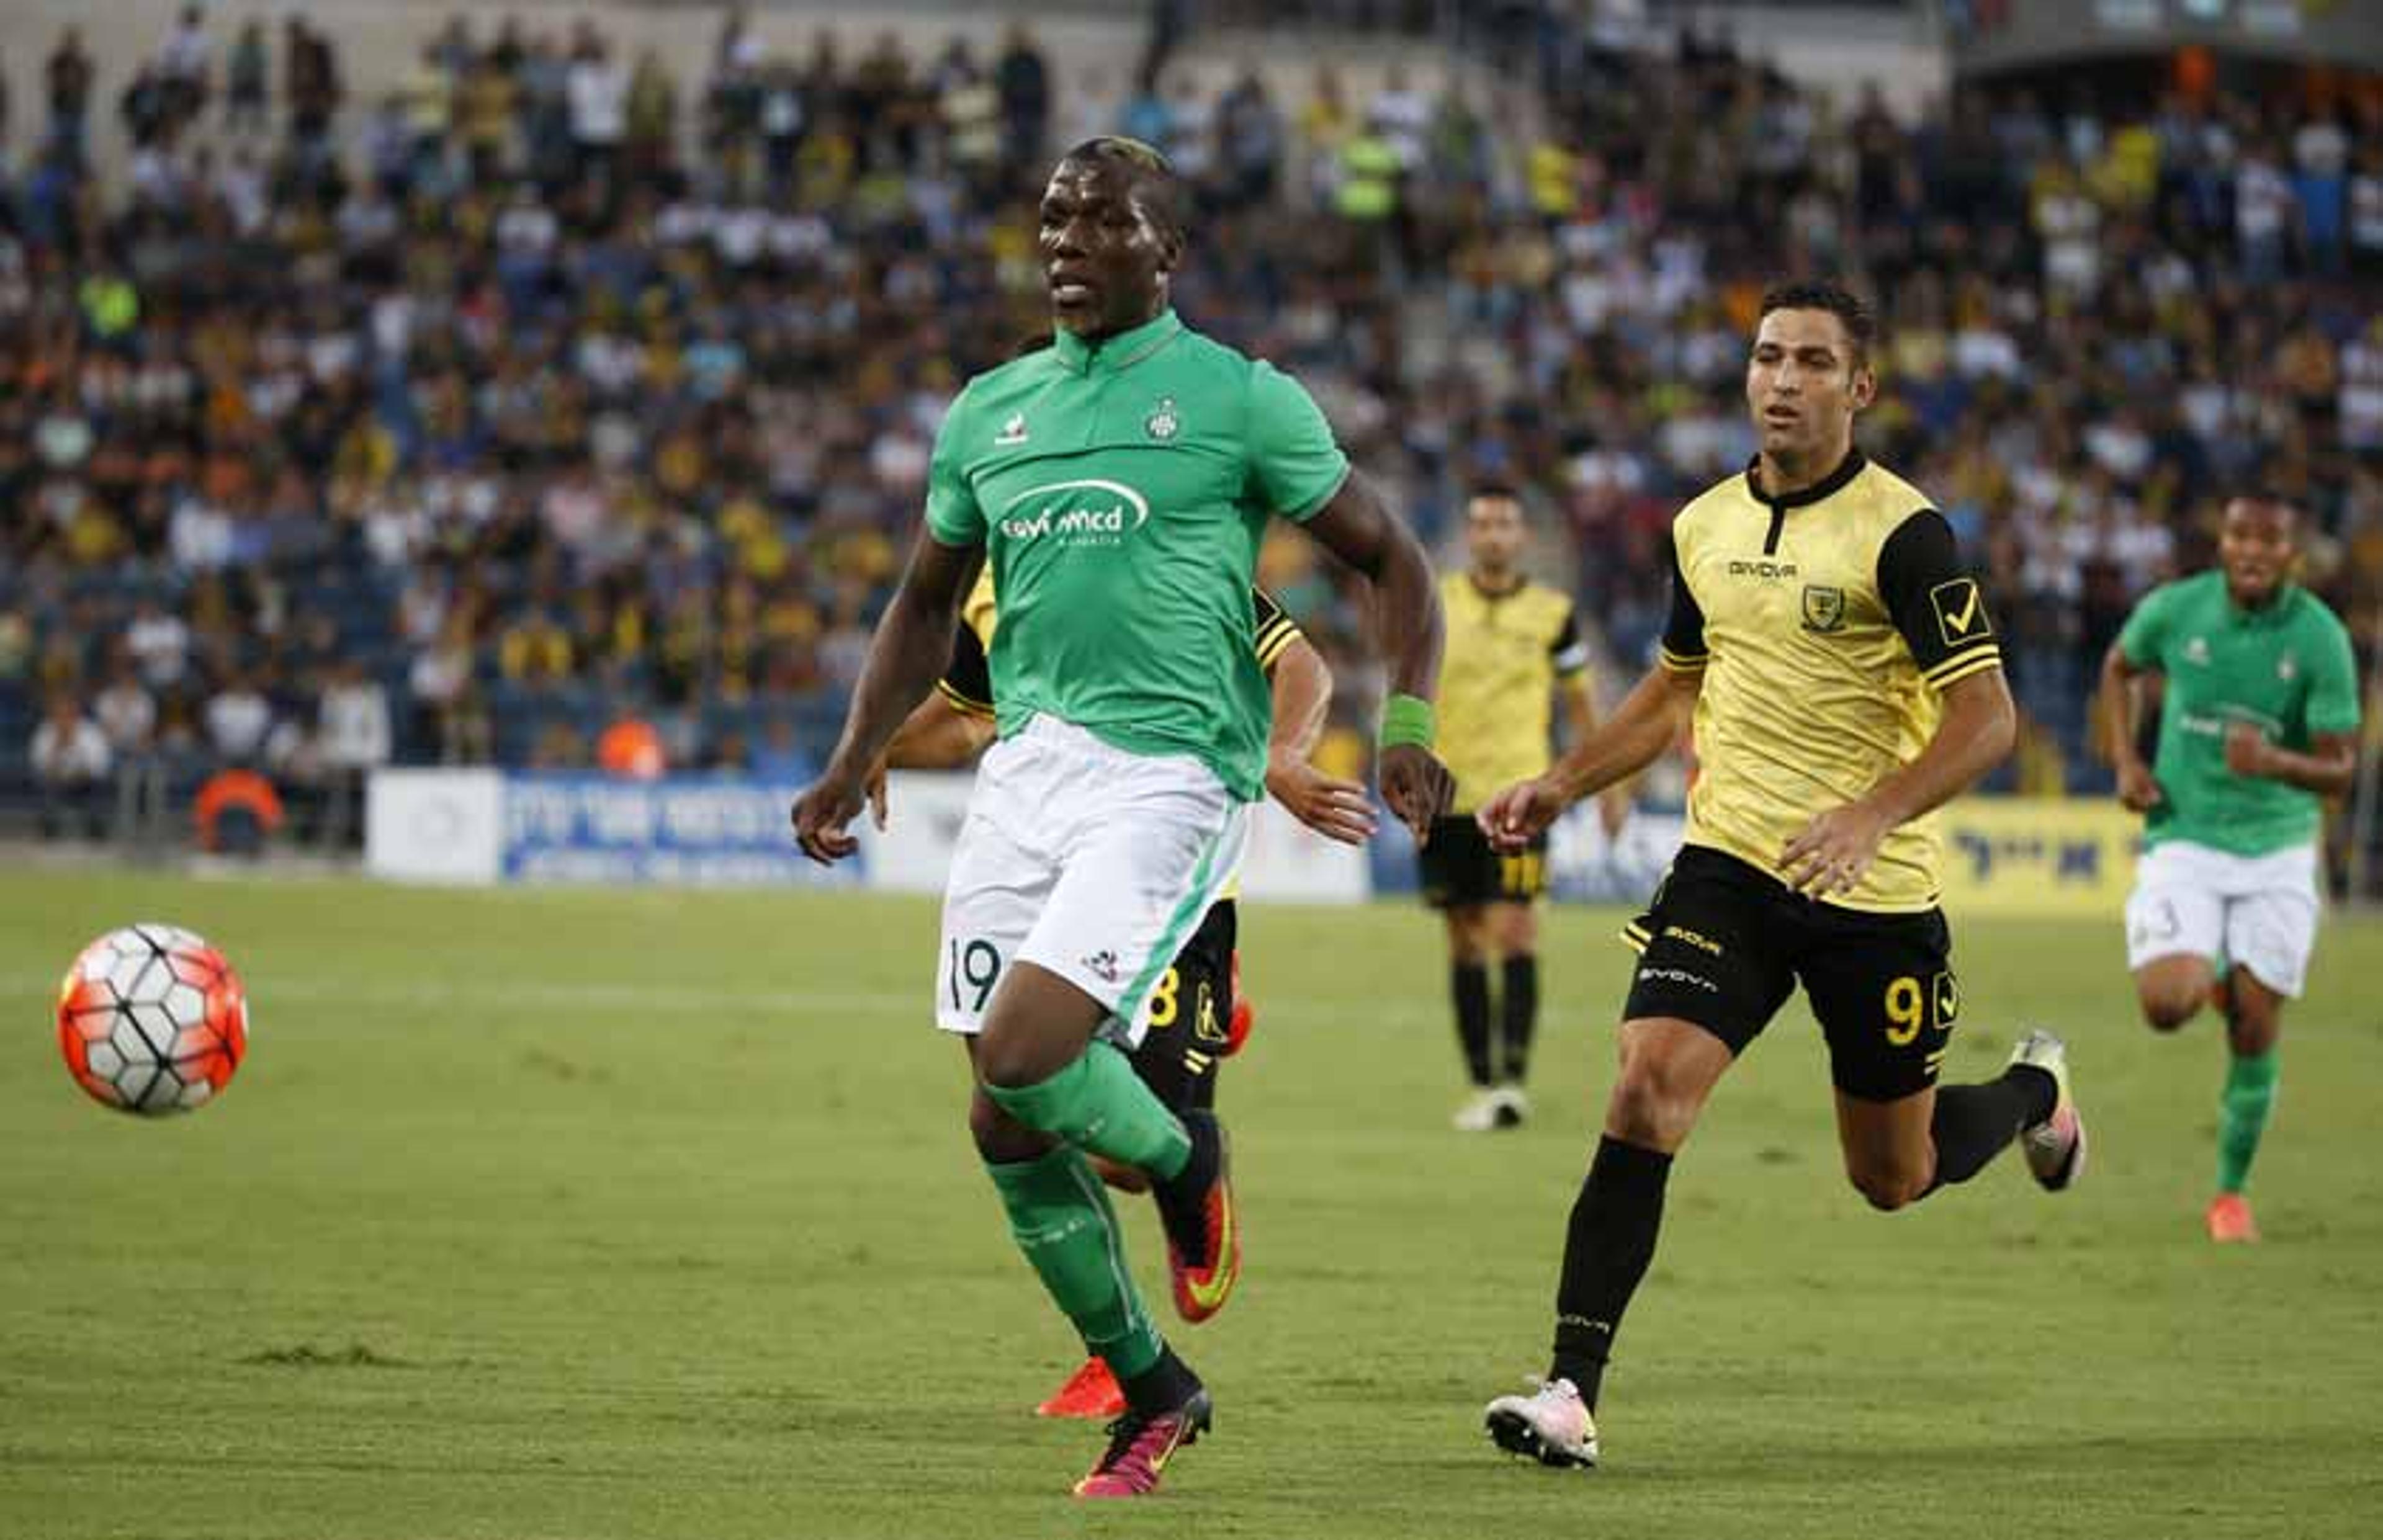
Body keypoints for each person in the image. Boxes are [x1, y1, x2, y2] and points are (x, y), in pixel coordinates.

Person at [791, 137, 1452, 1499]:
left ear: (1169, 248)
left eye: (1101, 219)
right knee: (1000, 1118)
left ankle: (1184, 1145)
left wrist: (1409, 724)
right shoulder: (991, 412)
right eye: (1051, 219)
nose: (1066, 240)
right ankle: (1153, 1382)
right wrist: (857, 757)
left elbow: (1389, 556)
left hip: (1174, 772)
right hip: (1027, 770)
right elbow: (924, 603)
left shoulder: (1239, 399)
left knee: (1032, 1049)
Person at [1471, 280, 2085, 1471]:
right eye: (1765, 357)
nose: (1782, 380)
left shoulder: (1907, 534)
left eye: (1812, 361)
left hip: (1876, 891)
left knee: (1892, 1175)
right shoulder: (1701, 525)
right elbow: (1670, 690)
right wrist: (1561, 783)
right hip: (1731, 865)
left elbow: (1989, 716)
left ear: (1860, 388)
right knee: (1645, 1083)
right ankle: (1570, 1389)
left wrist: (1875, 812)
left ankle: (2031, 1096)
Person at [874, 566, 1362, 1419]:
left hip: (1176, 888)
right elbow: (965, 716)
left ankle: (1198, 1107)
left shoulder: (1157, 529)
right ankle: (1119, 1348)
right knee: (1025, 1105)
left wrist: (1279, 756)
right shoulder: (999, 563)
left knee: (1132, 1160)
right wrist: (872, 746)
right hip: (1054, 873)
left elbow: (1303, 666)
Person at [2099, 496, 2358, 1245]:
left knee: (2253, 1030)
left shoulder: (2319, 639)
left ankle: (2229, 1195)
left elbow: (2342, 769)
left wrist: (2275, 761)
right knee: (2166, 1004)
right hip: (2185, 832)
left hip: (2278, 851)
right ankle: (2211, 961)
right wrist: (2124, 758)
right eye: (2239, 534)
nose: (2250, 549)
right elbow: (2120, 668)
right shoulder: (2178, 610)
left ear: (2292, 553)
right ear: (2221, 540)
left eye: (2269, 539)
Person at [1424, 483, 1615, 1131]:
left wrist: (1607, 785)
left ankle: (1512, 1081)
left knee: (1517, 929)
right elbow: (1411, 687)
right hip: (1449, 798)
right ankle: (1481, 1081)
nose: (1493, 534)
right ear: (1469, 535)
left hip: (1520, 799)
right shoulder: (1439, 605)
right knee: (1465, 937)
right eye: (1482, 523)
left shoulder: (1553, 613)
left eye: (1505, 523)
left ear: (1522, 536)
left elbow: (1583, 705)